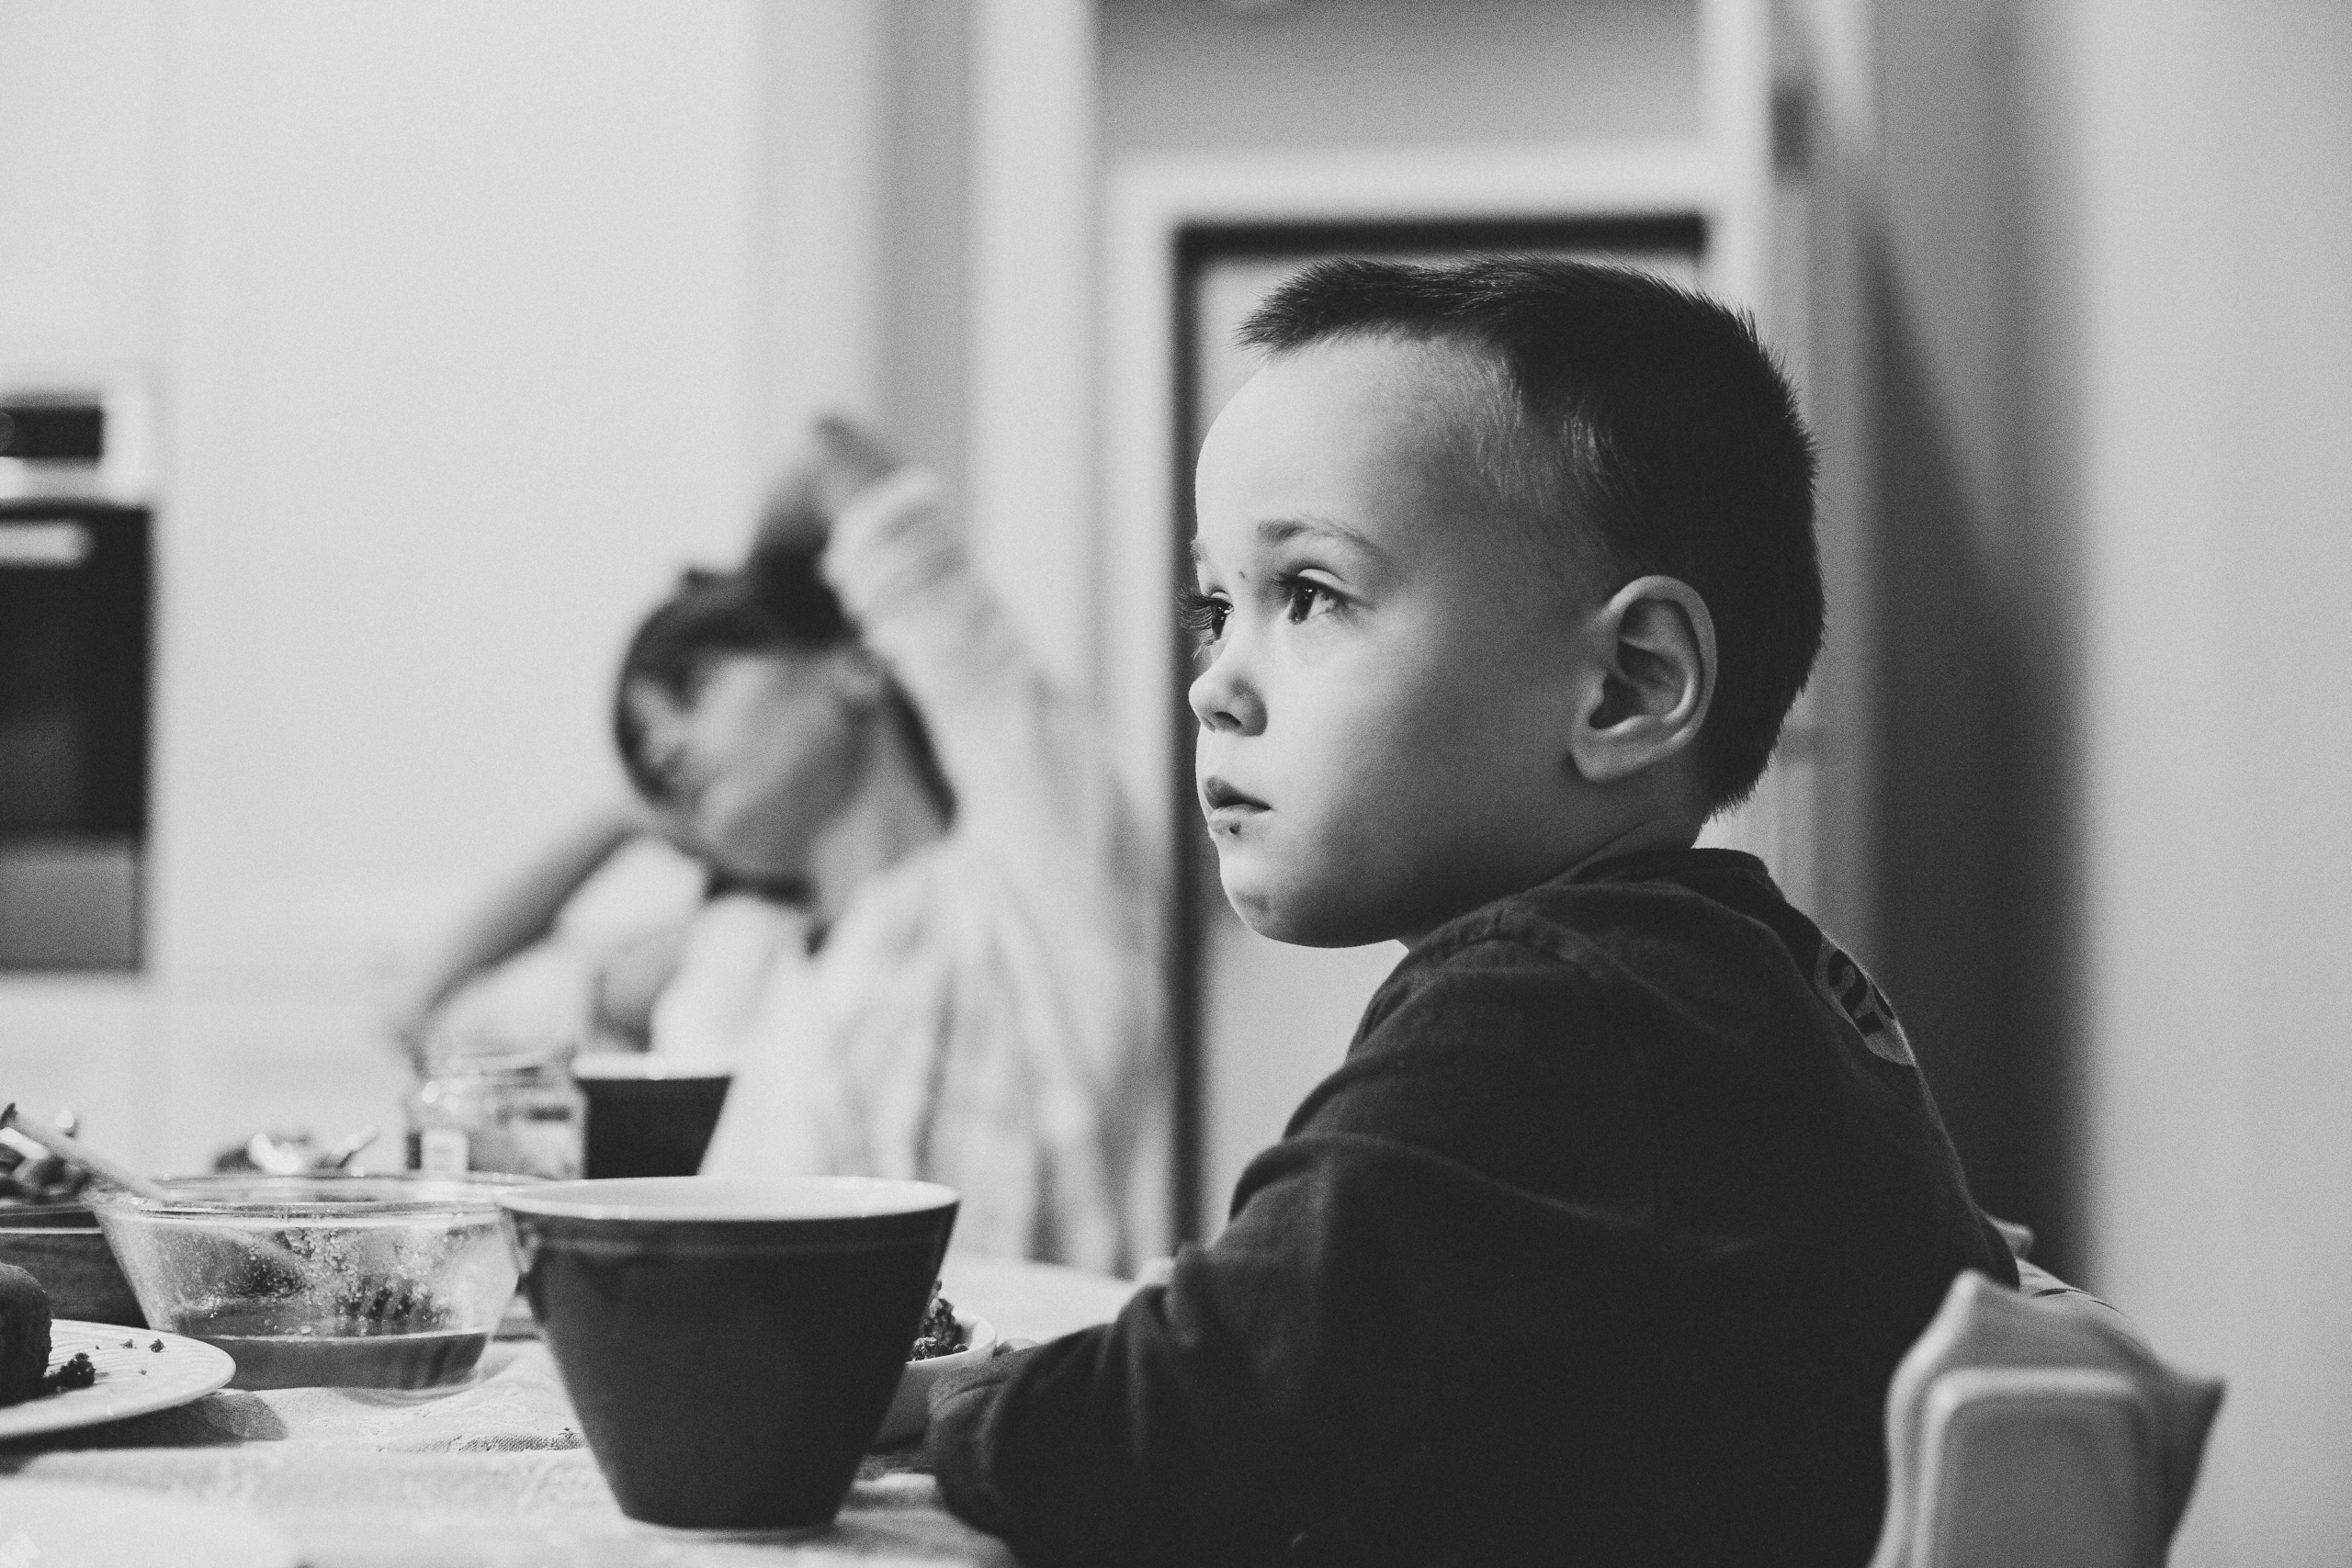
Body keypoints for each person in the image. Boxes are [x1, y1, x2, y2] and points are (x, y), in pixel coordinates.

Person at [926, 257, 2018, 1566]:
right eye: (1217, 610)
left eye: (1312, 595)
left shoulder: (1548, 1011)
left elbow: (1152, 1439)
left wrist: (956, 1398)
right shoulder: (1736, 979)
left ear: (1626, 685)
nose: (1215, 682)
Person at [396, 420, 1162, 1274]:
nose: (663, 754)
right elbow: (434, 1020)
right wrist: (627, 820)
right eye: (645, 759)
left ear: (856, 664)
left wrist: (755, 594)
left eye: (694, 688)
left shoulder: (1037, 869)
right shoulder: (736, 960)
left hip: (1024, 1392)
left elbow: (832, 458)